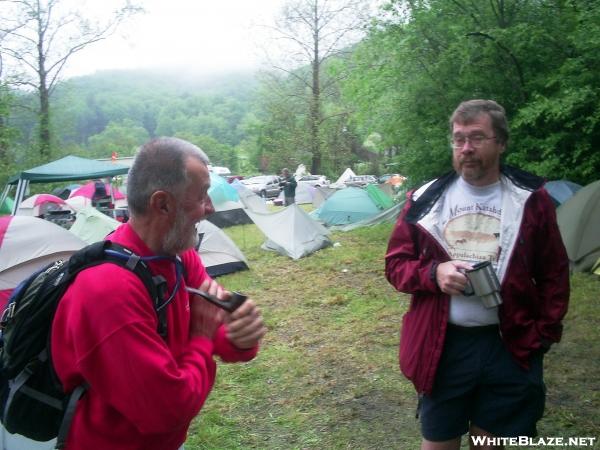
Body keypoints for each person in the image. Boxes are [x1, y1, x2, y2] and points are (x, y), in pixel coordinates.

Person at [51, 137, 267, 450]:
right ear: (162, 203)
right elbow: (166, 412)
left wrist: (241, 337)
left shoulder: (179, 256)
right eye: (202, 194)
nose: (210, 207)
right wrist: (204, 337)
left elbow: (221, 329)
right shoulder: (107, 291)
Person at [385, 99, 569, 449]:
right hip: (443, 344)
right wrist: (434, 272)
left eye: (477, 138)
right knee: (438, 442)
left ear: (500, 142)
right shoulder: (425, 200)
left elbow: (554, 273)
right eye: (458, 139)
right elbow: (395, 265)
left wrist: (544, 334)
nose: (466, 148)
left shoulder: (531, 199)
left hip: (511, 344)